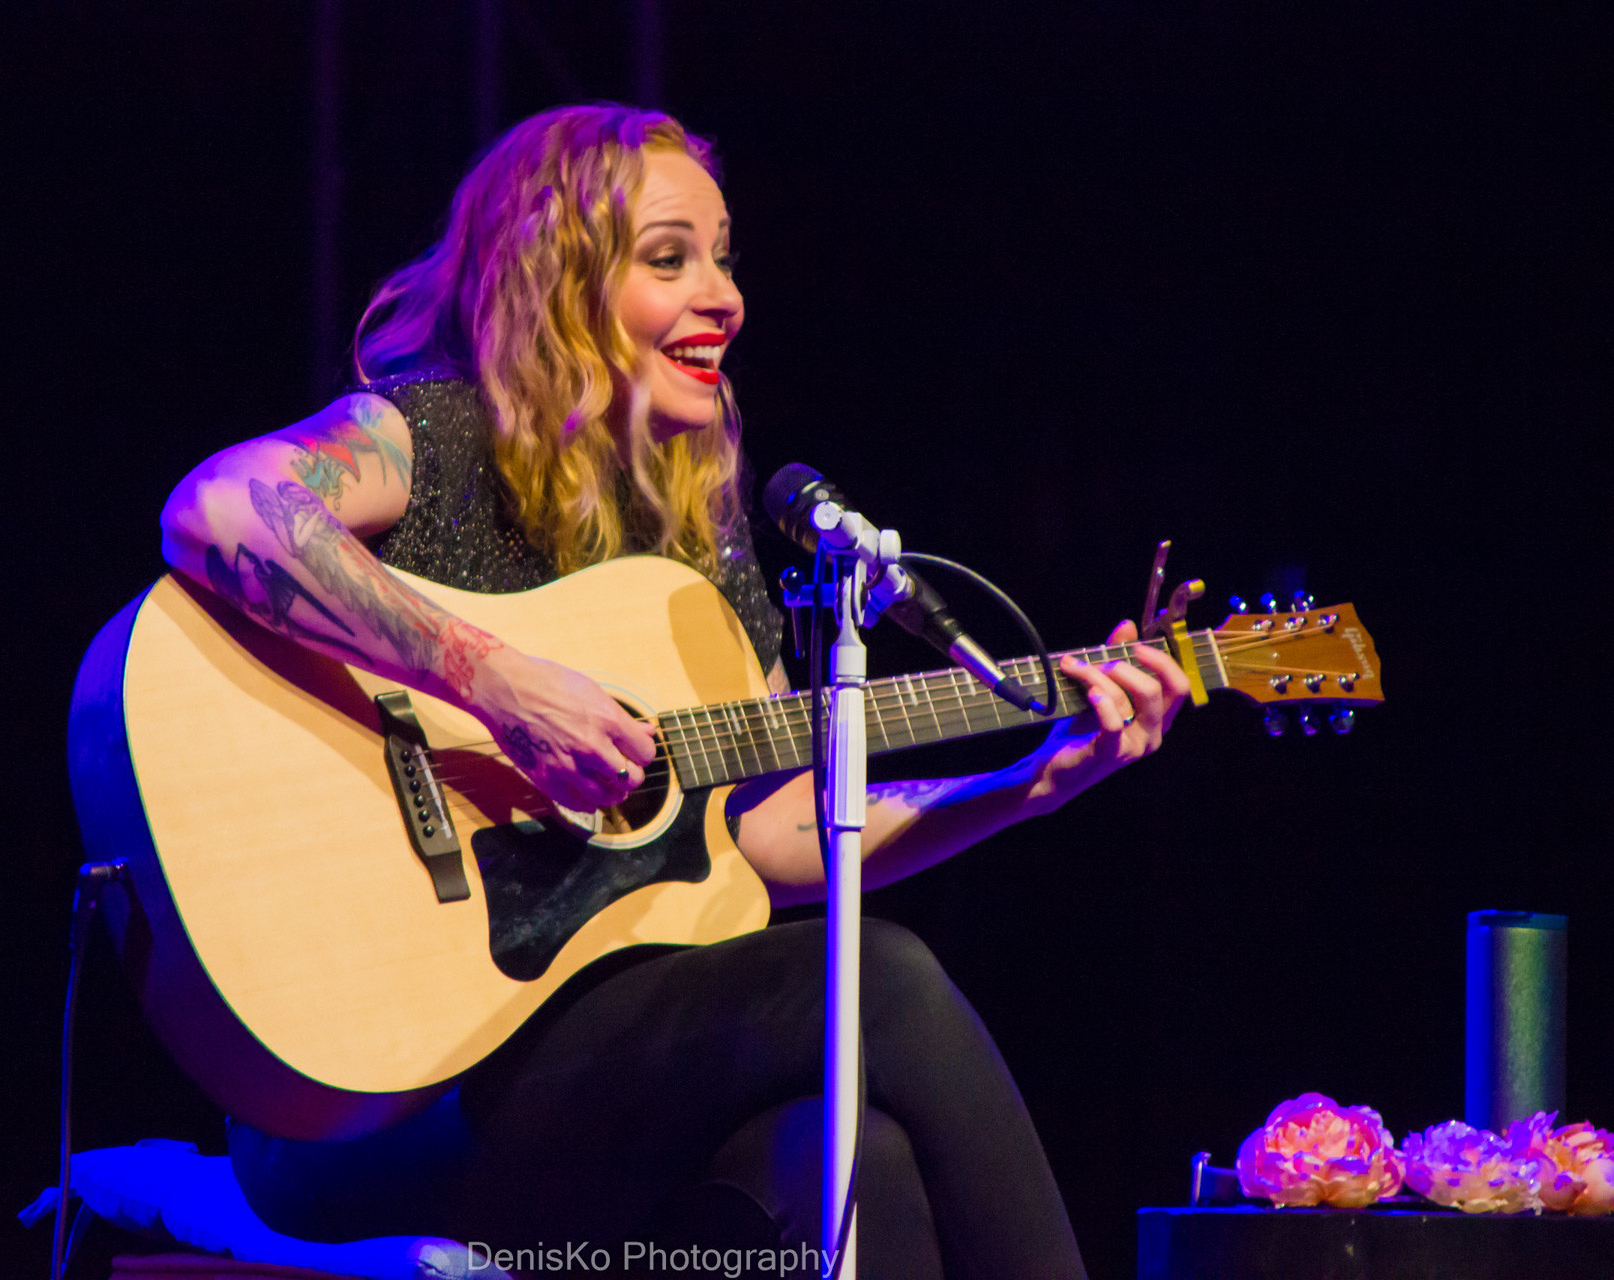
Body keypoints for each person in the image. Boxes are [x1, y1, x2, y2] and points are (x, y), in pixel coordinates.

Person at [159, 104, 1189, 1280]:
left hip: (595, 1068)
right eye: (670, 258)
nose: (725, 297)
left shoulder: (700, 539)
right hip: (374, 1102)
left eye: (724, 256)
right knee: (881, 977)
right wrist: (489, 678)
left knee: (857, 1152)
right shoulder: (434, 438)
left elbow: (778, 834)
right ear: (557, 282)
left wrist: (1032, 781)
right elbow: (224, 509)